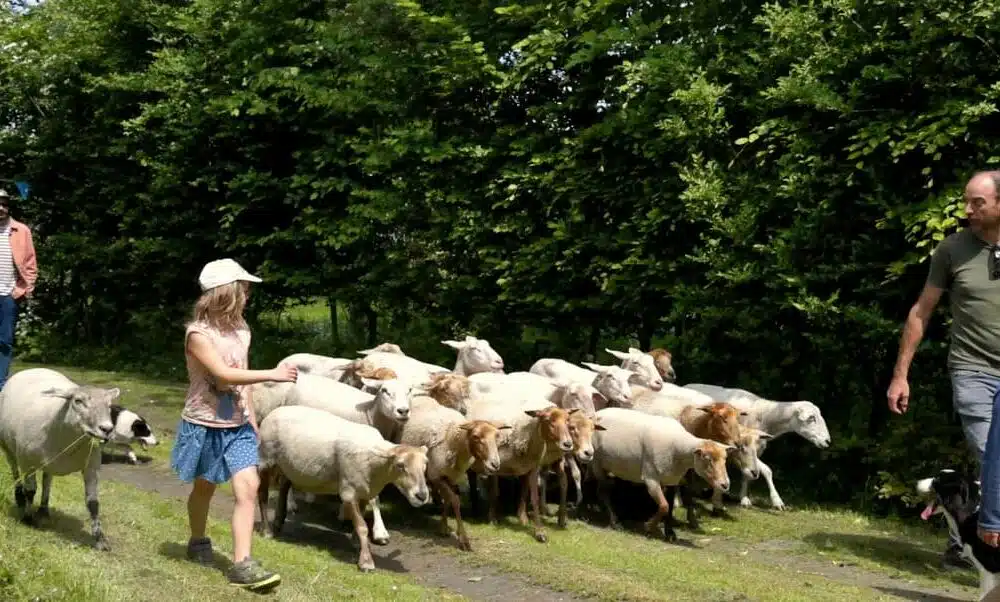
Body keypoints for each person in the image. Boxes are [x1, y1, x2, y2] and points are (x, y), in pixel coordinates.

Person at [887, 170, 1000, 568]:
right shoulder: (953, 249)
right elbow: (921, 312)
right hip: (974, 372)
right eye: (966, 201)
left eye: (977, 203)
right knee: (992, 459)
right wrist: (900, 375)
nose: (967, 209)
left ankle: (965, 543)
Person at [169, 258, 297, 590]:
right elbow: (224, 375)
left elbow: (243, 381)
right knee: (205, 487)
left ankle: (242, 564)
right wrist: (274, 374)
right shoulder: (198, 335)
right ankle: (198, 540)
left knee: (248, 487)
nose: (248, 294)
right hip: (205, 423)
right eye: (245, 288)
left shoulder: (242, 330)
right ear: (228, 291)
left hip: (237, 425)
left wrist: (251, 418)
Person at [0, 188, 37, 391]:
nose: (1, 208)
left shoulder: (21, 231)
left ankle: (0, 385)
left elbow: (30, 263)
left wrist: (23, 289)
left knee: (4, 342)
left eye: (4, 204)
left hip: (8, 296)